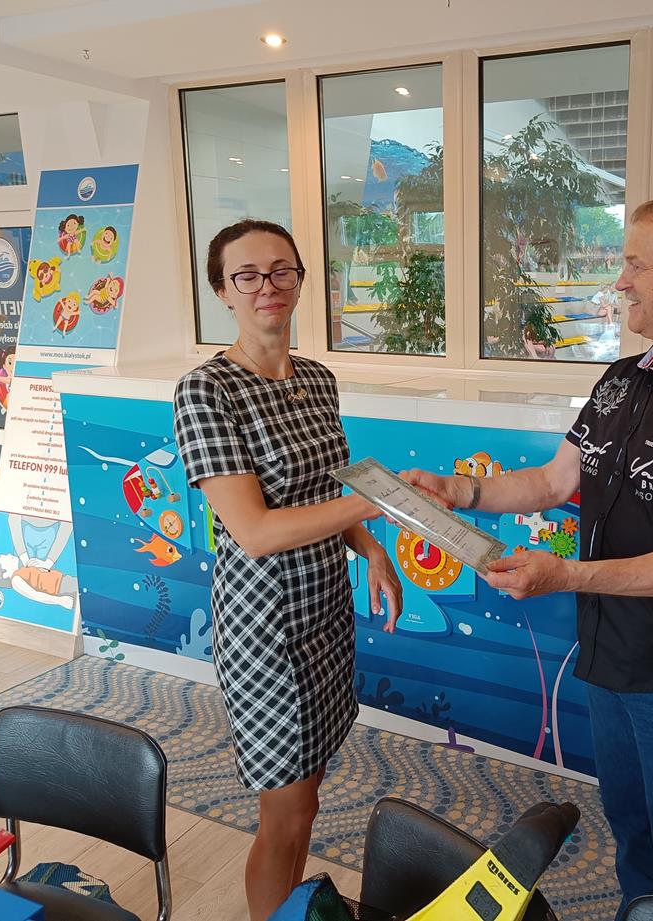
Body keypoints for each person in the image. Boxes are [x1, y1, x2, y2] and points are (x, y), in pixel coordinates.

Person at [405, 192, 653, 917]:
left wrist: (567, 575)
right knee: (632, 831)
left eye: (637, 264)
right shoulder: (619, 381)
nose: (620, 280)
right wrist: (459, 490)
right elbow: (554, 481)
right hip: (608, 656)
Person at [173, 219, 402, 921]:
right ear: (222, 291)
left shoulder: (317, 380)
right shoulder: (206, 391)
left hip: (325, 612)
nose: (267, 286)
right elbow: (256, 530)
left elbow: (325, 492)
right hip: (266, 629)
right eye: (246, 275)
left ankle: (292, 909)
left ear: (301, 279)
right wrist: (380, 501)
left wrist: (370, 546)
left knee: (310, 789)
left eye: (281, 270)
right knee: (287, 808)